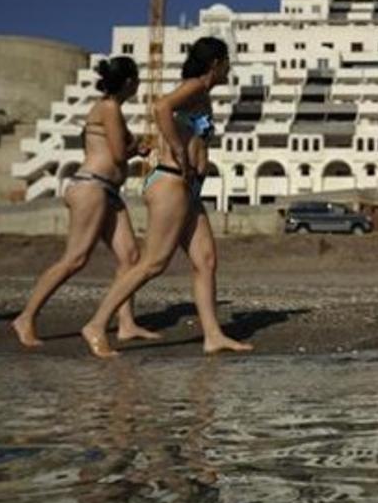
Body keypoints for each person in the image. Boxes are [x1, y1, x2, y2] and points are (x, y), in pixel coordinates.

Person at [80, 37, 252, 357]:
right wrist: (175, 148)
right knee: (153, 263)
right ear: (215, 64)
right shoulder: (195, 87)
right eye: (227, 61)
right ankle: (96, 323)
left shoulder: (202, 93)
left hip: (188, 189)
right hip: (171, 183)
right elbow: (161, 107)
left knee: (206, 260)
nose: (230, 68)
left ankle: (213, 336)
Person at [12, 57, 159, 347]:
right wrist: (135, 146)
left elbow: (111, 146)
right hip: (92, 187)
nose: (139, 84)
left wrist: (135, 146)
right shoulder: (108, 108)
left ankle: (126, 324)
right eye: (137, 79)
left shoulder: (110, 109)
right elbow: (118, 154)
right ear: (129, 82)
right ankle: (25, 317)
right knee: (75, 259)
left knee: (130, 257)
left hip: (107, 190)